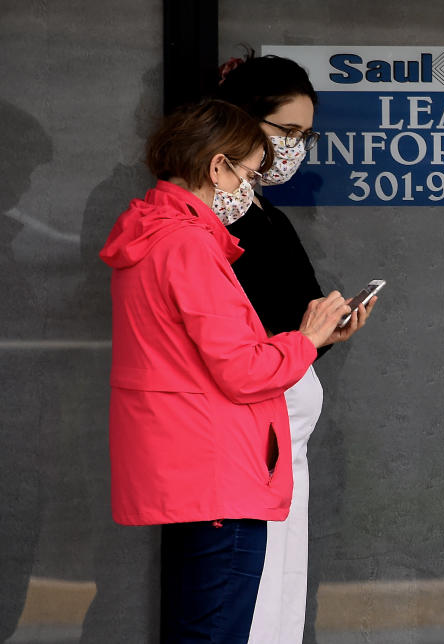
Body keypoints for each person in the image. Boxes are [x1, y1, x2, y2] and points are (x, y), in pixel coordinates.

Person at [99, 99, 355, 643]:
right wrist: (307, 340)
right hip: (220, 474)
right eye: (248, 171)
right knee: (216, 631)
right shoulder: (189, 244)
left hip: (188, 470)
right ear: (217, 167)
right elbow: (241, 370)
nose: (250, 187)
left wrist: (303, 341)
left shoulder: (150, 235)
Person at [215, 53, 377, 643]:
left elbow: (292, 326)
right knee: (250, 600)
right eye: (286, 132)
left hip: (287, 441)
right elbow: (233, 345)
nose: (294, 148)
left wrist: (323, 337)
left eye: (305, 136)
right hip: (250, 443)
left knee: (281, 598)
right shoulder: (213, 223)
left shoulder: (268, 216)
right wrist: (302, 342)